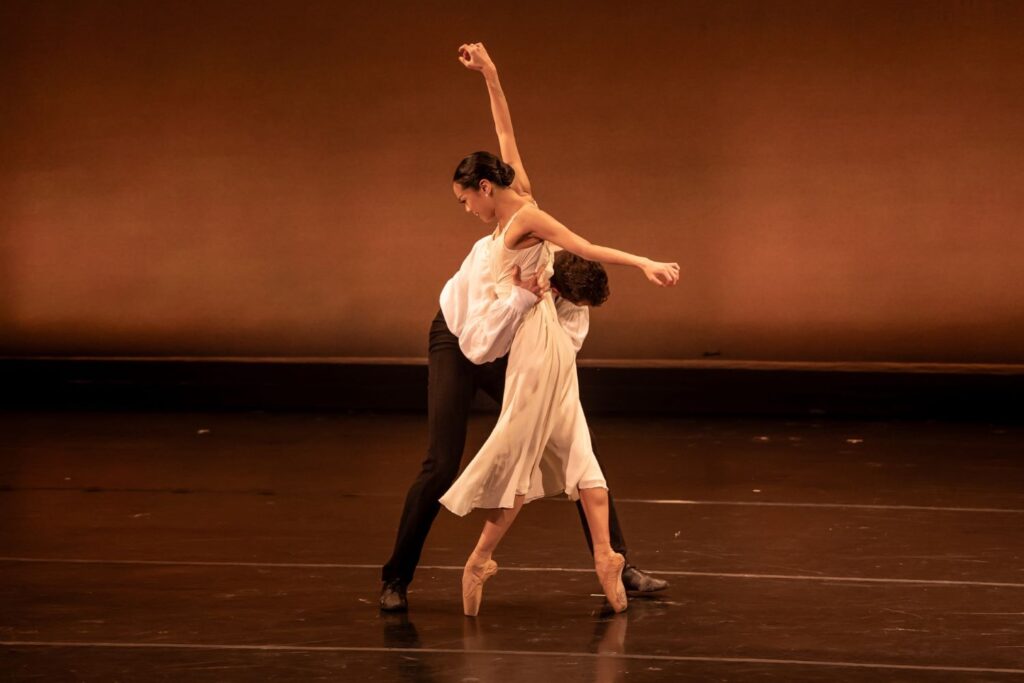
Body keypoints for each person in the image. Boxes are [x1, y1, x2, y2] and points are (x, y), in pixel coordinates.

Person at [438, 43, 679, 616]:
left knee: (520, 453)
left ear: (485, 189)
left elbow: (585, 247)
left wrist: (644, 262)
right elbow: (505, 129)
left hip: (535, 346)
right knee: (576, 451)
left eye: (465, 198)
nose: (465, 207)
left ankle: (479, 560)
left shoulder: (526, 218)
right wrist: (491, 73)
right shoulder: (517, 192)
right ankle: (604, 556)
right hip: (547, 343)